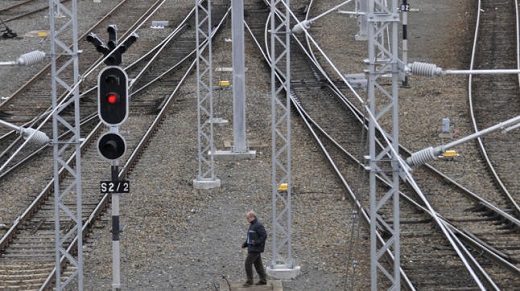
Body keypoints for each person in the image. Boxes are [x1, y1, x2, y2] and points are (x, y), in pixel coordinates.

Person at [241, 210, 268, 287]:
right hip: (252, 248)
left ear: (252, 217)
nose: (247, 219)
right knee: (258, 265)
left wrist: (257, 242)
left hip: (255, 249)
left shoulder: (258, 225)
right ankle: (263, 280)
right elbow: (250, 237)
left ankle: (249, 281)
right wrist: (245, 244)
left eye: (248, 218)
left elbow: (264, 235)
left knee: (247, 263)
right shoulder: (252, 225)